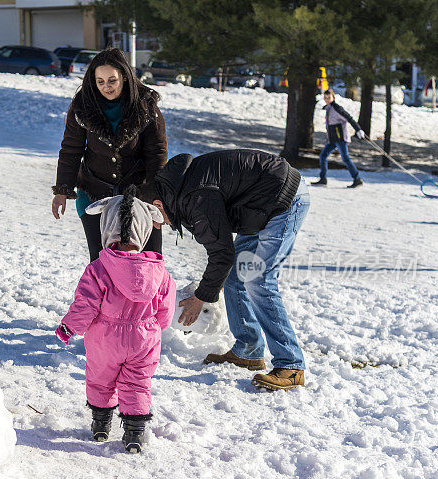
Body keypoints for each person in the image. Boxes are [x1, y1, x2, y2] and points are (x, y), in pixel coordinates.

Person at [139, 149, 310, 391]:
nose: (157, 224)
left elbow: (222, 255)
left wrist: (200, 298)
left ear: (157, 204)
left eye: (153, 217)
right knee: (235, 278)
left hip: (285, 200)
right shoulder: (183, 190)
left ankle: (291, 364)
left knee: (258, 280)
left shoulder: (194, 196)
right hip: (262, 203)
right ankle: (249, 350)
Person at [55, 186, 176, 453]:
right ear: (145, 229)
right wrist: (157, 326)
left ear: (107, 225)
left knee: (100, 378)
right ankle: (134, 433)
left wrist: (69, 327)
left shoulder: (98, 268)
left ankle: (100, 425)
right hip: (144, 337)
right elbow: (166, 310)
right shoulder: (159, 272)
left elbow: (85, 304)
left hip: (104, 337)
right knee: (137, 383)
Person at [51, 48, 168, 262]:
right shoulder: (82, 106)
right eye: (100, 81)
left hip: (139, 197)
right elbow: (71, 150)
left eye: (112, 80)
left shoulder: (146, 106)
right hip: (94, 194)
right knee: (102, 263)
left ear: (124, 76)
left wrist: (156, 196)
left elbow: (156, 154)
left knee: (149, 260)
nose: (107, 87)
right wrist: (62, 190)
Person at [314, 88, 365, 188]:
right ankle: (323, 179)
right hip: (332, 139)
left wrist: (358, 129)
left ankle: (357, 179)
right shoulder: (328, 108)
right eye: (325, 98)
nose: (327, 99)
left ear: (333, 97)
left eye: (329, 98)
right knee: (323, 156)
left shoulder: (337, 108)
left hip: (340, 138)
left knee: (345, 158)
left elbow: (349, 118)